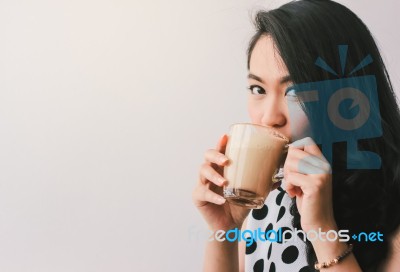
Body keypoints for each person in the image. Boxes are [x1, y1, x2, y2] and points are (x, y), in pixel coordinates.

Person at [192, 0, 400, 271]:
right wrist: (224, 232)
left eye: (296, 92)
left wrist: (322, 229)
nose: (269, 118)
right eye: (257, 89)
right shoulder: (265, 196)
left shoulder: (391, 207)